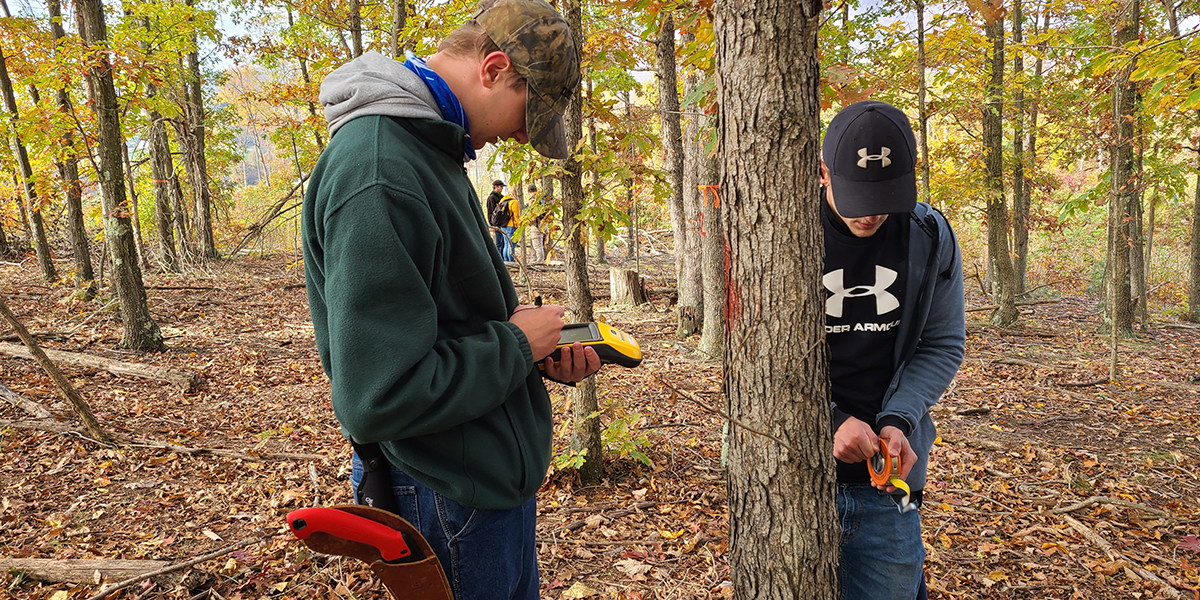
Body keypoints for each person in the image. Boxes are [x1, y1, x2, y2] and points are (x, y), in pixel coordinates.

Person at [301, 1, 600, 598]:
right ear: (492, 69)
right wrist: (515, 344)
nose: (522, 134)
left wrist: (533, 353)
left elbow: (446, 325)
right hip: (442, 493)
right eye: (526, 113)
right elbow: (378, 396)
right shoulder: (380, 170)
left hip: (481, 484)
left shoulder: (431, 149)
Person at [819, 100, 965, 600]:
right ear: (823, 173)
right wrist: (831, 418)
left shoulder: (929, 235)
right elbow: (750, 366)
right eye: (857, 196)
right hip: (793, 471)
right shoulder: (776, 237)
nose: (872, 212)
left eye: (885, 196)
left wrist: (899, 420)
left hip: (886, 478)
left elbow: (942, 343)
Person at [486, 179, 507, 255]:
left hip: (503, 223)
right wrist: (491, 224)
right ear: (495, 187)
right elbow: (490, 211)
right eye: (500, 186)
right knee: (498, 243)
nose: (502, 188)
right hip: (496, 223)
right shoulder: (491, 198)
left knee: (504, 242)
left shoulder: (502, 197)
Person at [526, 184, 545, 263]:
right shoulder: (543, 199)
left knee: (537, 244)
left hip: (536, 224)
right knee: (537, 243)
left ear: (528, 191)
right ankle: (534, 259)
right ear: (536, 190)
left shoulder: (533, 201)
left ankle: (540, 261)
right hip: (543, 223)